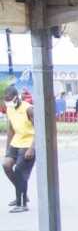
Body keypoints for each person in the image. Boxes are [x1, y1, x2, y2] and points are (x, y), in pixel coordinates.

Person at [3, 84, 35, 212]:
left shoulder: (28, 109)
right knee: (6, 165)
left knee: (20, 171)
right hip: (16, 142)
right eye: (6, 99)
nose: (8, 102)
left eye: (9, 99)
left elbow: (40, 129)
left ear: (16, 97)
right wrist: (7, 150)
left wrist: (32, 148)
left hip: (28, 143)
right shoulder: (9, 109)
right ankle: (21, 192)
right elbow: (11, 130)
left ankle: (22, 204)